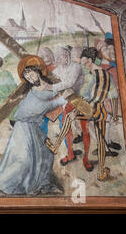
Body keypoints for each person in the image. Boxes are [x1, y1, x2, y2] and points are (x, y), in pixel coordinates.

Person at [0, 55, 65, 196]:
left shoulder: (49, 86)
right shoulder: (30, 90)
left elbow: (60, 90)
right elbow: (39, 107)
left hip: (34, 126)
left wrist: (65, 95)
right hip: (23, 126)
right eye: (28, 77)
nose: (31, 78)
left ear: (38, 72)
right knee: (23, 159)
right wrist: (59, 101)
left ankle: (43, 184)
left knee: (46, 155)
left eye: (32, 74)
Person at [46, 47, 112, 181]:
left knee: (98, 139)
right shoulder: (89, 73)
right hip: (82, 105)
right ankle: (59, 147)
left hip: (95, 109)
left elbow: (97, 98)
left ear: (88, 60)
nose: (81, 63)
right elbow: (84, 93)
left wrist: (77, 110)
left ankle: (98, 169)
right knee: (67, 118)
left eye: (83, 61)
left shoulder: (101, 74)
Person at [51, 46, 92, 171]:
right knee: (66, 127)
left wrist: (54, 87)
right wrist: (55, 88)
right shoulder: (56, 70)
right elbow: (54, 85)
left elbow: (69, 83)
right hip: (66, 102)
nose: (59, 58)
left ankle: (86, 157)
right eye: (57, 56)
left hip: (81, 100)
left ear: (68, 56)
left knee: (85, 129)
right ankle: (70, 154)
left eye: (62, 55)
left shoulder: (76, 67)